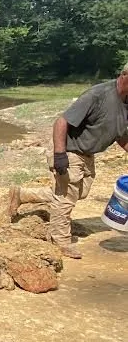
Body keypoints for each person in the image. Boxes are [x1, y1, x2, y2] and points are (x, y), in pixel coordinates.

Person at [7, 66, 128, 258]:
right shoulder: (97, 95)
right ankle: (60, 240)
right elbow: (61, 122)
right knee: (66, 198)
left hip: (88, 154)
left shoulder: (126, 103)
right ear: (124, 77)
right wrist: (60, 154)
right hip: (71, 151)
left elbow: (121, 135)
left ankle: (22, 194)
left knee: (80, 192)